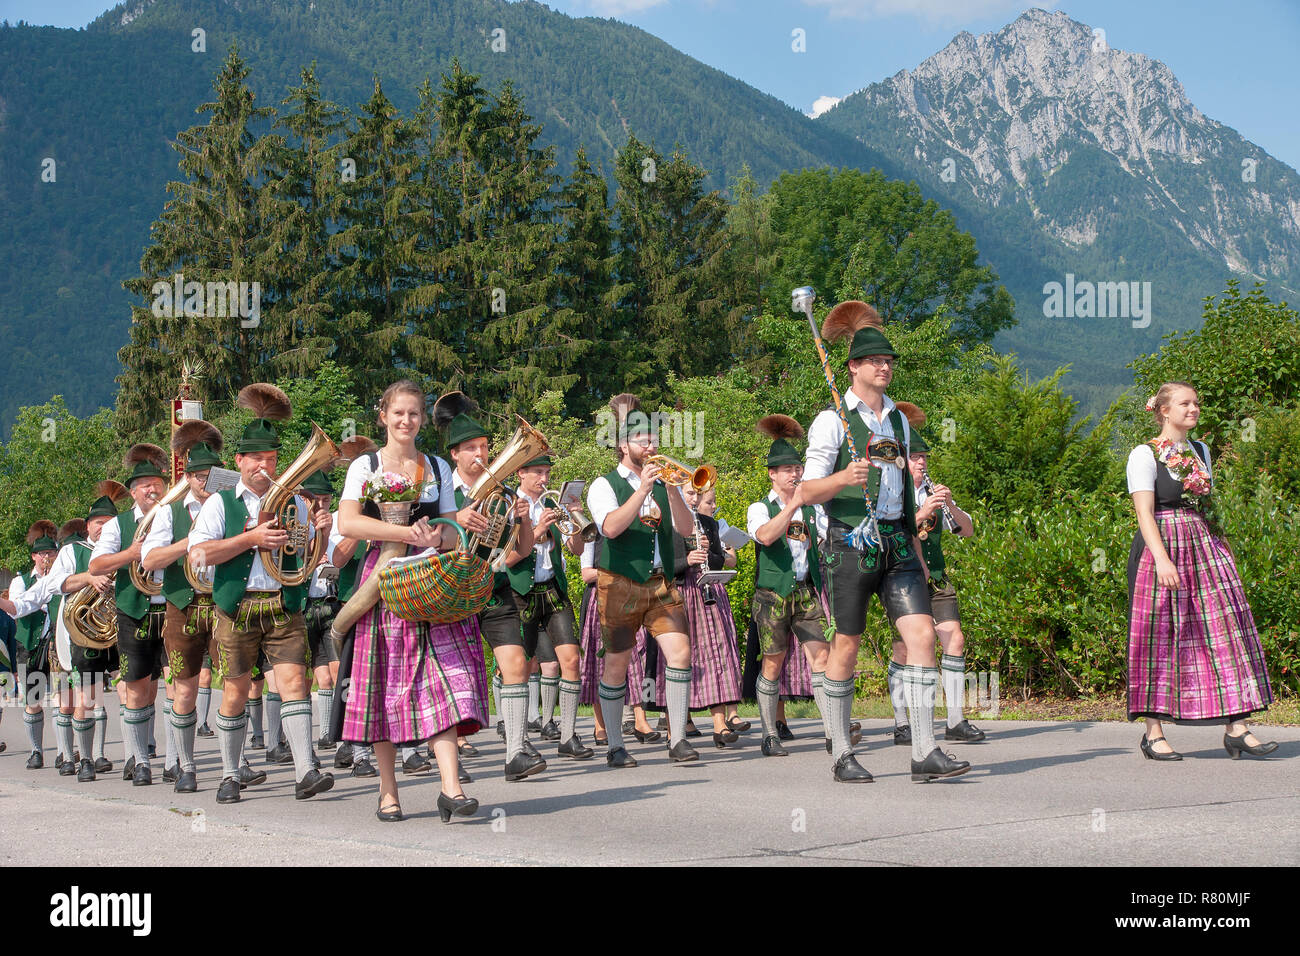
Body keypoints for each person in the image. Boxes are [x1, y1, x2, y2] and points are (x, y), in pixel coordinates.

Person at [799, 301, 970, 783]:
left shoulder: (899, 422)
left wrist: (916, 543)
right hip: (847, 542)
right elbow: (805, 491)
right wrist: (842, 479)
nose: (886, 367)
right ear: (853, 367)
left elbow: (905, 488)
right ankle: (839, 755)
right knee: (847, 645)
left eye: (890, 361)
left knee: (922, 638)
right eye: (877, 361)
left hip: (896, 540)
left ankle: (924, 750)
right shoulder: (831, 420)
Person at [337, 380, 486, 822]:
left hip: (430, 580)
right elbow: (347, 523)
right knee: (383, 685)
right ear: (383, 416)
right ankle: (388, 792)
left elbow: (440, 527)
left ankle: (450, 788)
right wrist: (404, 534)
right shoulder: (365, 465)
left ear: (423, 420)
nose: (407, 421)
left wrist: (442, 530)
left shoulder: (436, 465)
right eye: (399, 413)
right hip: (383, 580)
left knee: (440, 676)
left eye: (415, 414)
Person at [188, 383, 335, 804]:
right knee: (234, 690)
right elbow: (200, 554)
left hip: (283, 604)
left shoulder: (295, 501)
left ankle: (305, 770)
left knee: (294, 682)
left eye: (271, 459)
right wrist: (250, 537)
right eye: (256, 459)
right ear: (239, 461)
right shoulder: (220, 504)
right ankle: (230, 774)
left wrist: (320, 535)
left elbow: (309, 560)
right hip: (238, 606)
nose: (264, 466)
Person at [1126, 382, 1276, 760]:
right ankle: (1154, 734)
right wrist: (1162, 559)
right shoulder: (1144, 455)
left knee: (1224, 629)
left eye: (1196, 403)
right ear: (1163, 410)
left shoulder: (1201, 450)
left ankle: (1237, 727)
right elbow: (1145, 513)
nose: (1193, 409)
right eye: (1185, 403)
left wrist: (1221, 548)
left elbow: (1206, 505)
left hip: (1201, 543)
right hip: (1160, 545)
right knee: (1158, 637)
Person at [587, 393, 698, 768]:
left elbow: (684, 530)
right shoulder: (602, 485)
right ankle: (616, 745)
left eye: (653, 439)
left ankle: (678, 738)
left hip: (660, 581)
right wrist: (642, 489)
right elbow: (611, 528)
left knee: (680, 654)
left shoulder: (665, 482)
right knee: (617, 663)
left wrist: (672, 491)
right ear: (622, 445)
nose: (650, 446)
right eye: (642, 440)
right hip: (618, 580)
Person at [438, 391, 540, 781]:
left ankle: (515, 750)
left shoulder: (504, 492)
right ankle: (450, 759)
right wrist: (455, 518)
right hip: (453, 589)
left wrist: (525, 520)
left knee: (515, 664)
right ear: (455, 455)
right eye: (471, 449)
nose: (480, 454)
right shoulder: (439, 492)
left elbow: (523, 548)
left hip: (493, 585)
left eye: (483, 446)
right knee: (454, 675)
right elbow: (421, 534)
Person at [887, 410, 985, 745]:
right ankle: (902, 722)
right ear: (902, 460)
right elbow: (893, 531)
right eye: (915, 457)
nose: (921, 463)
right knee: (905, 648)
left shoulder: (932, 493)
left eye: (924, 458)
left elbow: (968, 530)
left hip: (937, 577)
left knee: (954, 639)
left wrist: (950, 506)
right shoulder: (893, 494)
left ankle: (955, 720)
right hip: (902, 579)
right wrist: (922, 511)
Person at [139, 422, 226, 792]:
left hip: (225, 603)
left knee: (237, 686)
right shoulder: (169, 512)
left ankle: (233, 769)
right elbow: (150, 559)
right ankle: (185, 766)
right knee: (185, 689)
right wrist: (190, 542)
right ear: (187, 477)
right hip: (183, 606)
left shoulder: (231, 505)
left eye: (209, 474)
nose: (203, 480)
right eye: (197, 474)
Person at [747, 416, 833, 758]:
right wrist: (793, 506)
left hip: (805, 590)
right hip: (772, 594)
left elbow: (827, 541)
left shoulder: (813, 509)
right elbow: (765, 535)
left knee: (822, 657)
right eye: (787, 470)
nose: (795, 474)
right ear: (772, 474)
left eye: (797, 468)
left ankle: (833, 732)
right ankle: (769, 733)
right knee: (772, 662)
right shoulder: (759, 507)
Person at [88, 445, 171, 785]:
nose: (153, 489)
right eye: (146, 485)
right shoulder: (119, 525)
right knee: (136, 688)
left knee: (178, 686)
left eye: (157, 483)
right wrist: (132, 553)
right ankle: (139, 760)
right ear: (134, 492)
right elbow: (96, 565)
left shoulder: (175, 514)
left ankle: (175, 761)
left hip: (172, 606)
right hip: (134, 611)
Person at [510, 457, 593, 759]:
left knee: (571, 660)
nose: (544, 479)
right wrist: (537, 527)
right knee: (519, 667)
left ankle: (568, 736)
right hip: (522, 593)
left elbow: (578, 549)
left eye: (547, 472)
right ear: (520, 473)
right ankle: (518, 738)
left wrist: (576, 519)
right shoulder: (511, 506)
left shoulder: (552, 505)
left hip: (554, 592)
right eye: (538, 473)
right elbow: (507, 559)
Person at [3, 521, 62, 769]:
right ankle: (36, 751)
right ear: (34, 556)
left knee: (63, 699)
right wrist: (43, 590)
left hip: (59, 643)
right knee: (33, 699)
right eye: (42, 554)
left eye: (50, 553)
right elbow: (17, 609)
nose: (46, 557)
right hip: (32, 645)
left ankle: (64, 752)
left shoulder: (63, 576)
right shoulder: (20, 581)